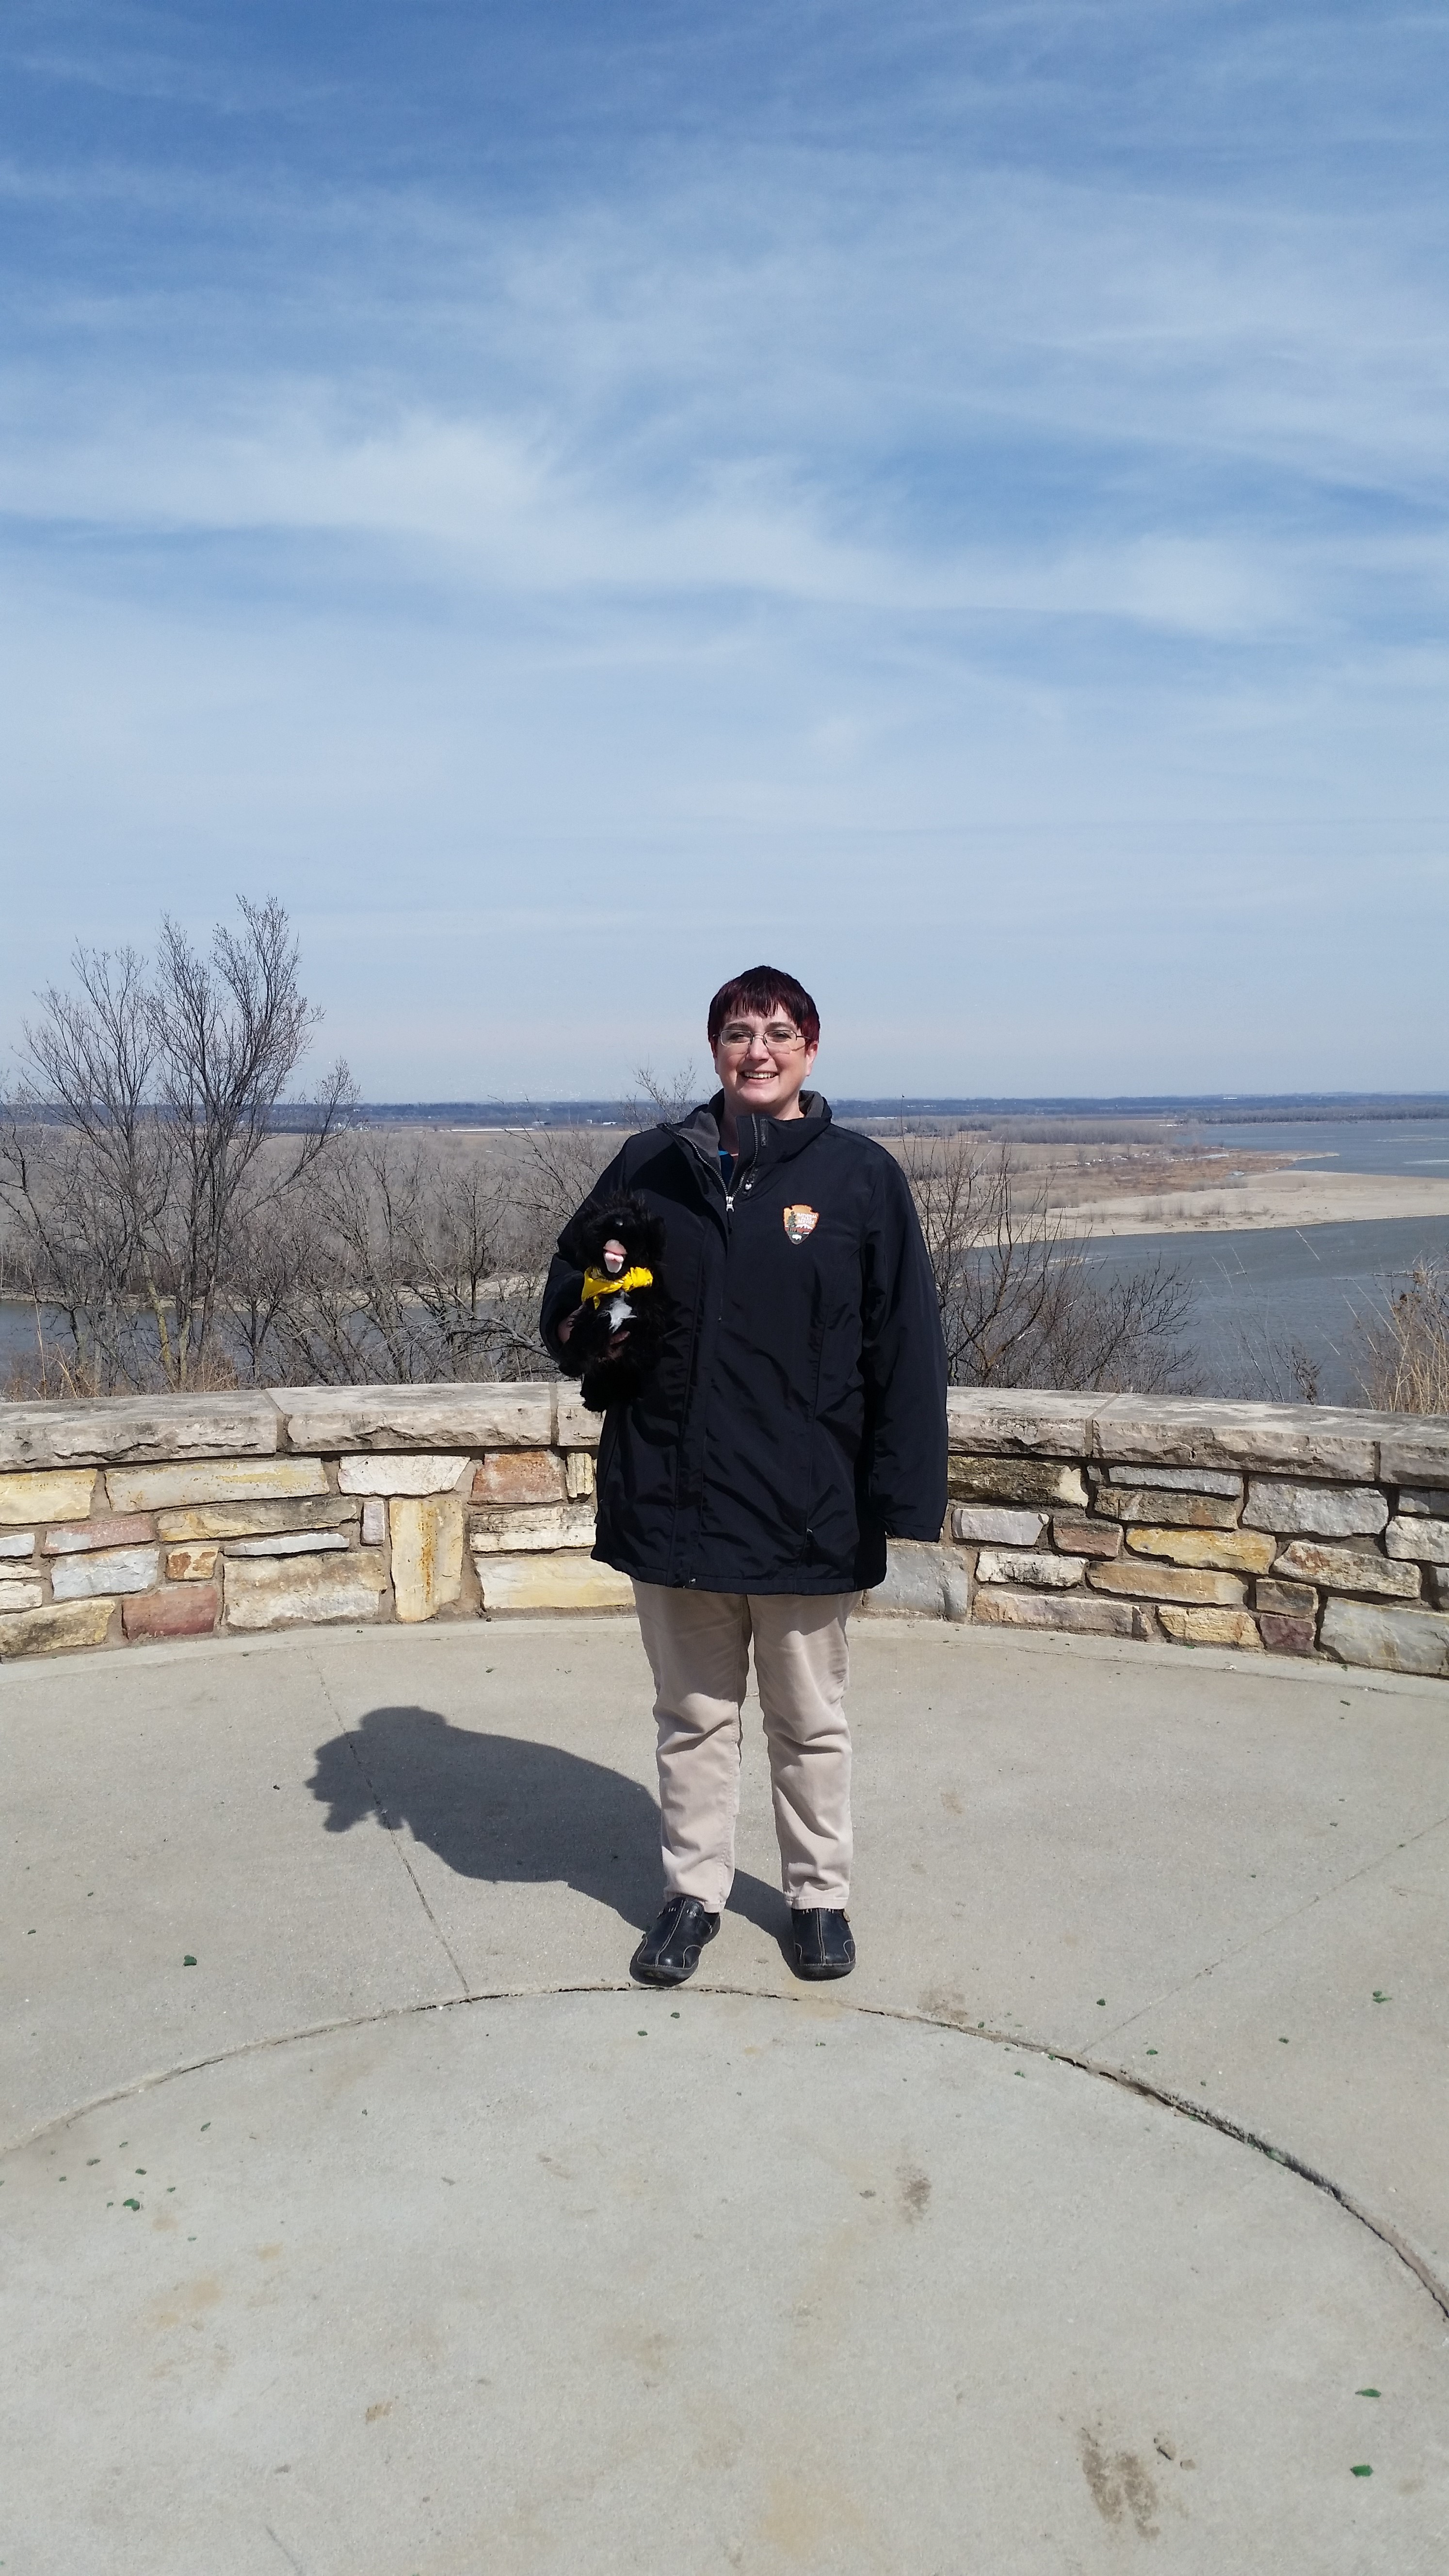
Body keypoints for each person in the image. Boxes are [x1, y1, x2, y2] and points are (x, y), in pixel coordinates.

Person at [541, 966, 947, 1988]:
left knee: (809, 1722)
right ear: (713, 1045)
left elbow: (906, 1349)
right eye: (737, 1031)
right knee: (693, 1719)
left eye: (777, 1031)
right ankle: (693, 1893)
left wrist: (901, 1499)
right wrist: (601, 1315)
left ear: (811, 1048)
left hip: (807, 1508)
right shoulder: (651, 1166)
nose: (755, 1049)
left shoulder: (860, 1179)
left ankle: (818, 1896)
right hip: (674, 1500)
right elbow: (573, 1314)